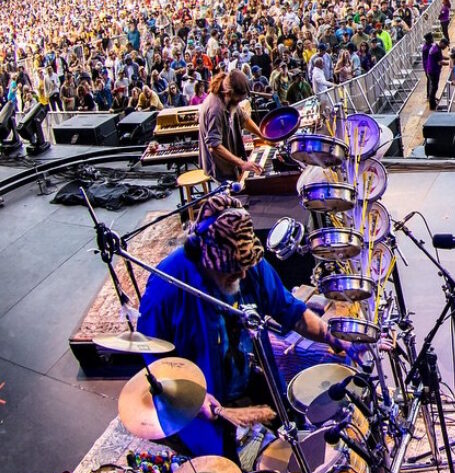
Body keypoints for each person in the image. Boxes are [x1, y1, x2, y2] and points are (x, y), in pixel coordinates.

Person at [136, 195, 353, 459]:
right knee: (225, 470)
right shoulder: (166, 287)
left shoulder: (251, 266)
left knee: (292, 425)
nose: (240, 278)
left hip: (248, 370)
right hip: (201, 394)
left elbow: (290, 311)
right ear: (206, 259)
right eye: (231, 272)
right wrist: (193, 397)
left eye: (243, 270)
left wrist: (331, 336)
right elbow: (154, 355)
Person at [199, 69, 267, 183]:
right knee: (232, 196)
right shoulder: (215, 109)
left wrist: (264, 136)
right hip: (220, 167)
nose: (239, 102)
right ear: (228, 93)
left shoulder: (228, 89)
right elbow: (214, 146)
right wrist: (242, 164)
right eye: (238, 99)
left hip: (231, 162)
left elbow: (243, 119)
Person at [421, 32, 443, 110]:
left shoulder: (430, 46)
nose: (432, 40)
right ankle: (430, 97)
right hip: (428, 67)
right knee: (431, 83)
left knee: (431, 83)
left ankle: (431, 97)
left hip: (429, 67)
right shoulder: (426, 48)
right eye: (431, 38)